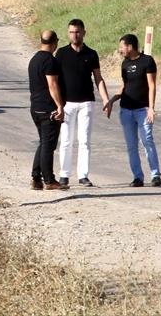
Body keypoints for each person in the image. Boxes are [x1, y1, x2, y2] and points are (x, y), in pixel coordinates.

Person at [55, 18, 110, 188]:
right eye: (71, 32)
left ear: (84, 32)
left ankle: (83, 175)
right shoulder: (61, 54)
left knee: (84, 140)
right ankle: (64, 174)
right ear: (68, 33)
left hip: (86, 102)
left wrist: (106, 99)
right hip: (67, 104)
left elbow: (98, 78)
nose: (75, 35)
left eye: (77, 32)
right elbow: (54, 80)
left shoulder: (91, 54)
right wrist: (56, 103)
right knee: (65, 140)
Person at [103, 34, 161, 188]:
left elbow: (152, 85)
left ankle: (155, 175)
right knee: (131, 145)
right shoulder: (125, 64)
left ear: (130, 46)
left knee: (147, 140)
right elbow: (124, 86)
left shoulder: (147, 61)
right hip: (126, 110)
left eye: (121, 46)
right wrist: (111, 101)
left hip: (143, 110)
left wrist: (151, 108)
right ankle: (137, 177)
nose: (120, 50)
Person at [28, 30, 66, 191]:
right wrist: (59, 106)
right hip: (48, 109)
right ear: (55, 42)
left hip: (35, 107)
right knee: (48, 145)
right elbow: (52, 84)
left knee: (43, 143)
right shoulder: (50, 61)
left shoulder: (34, 59)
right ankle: (49, 180)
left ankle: (36, 178)